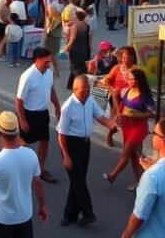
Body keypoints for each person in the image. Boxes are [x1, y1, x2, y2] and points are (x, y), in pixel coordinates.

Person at [0, 111, 49, 237]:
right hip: (23, 218)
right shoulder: (31, 155)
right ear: (17, 131)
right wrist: (42, 206)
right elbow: (37, 183)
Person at [57, 74, 115, 227]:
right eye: (83, 91)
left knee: (78, 180)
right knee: (79, 181)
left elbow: (99, 115)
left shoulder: (89, 100)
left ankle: (69, 214)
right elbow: (61, 133)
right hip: (71, 145)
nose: (86, 93)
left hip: (85, 144)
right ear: (74, 90)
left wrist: (110, 124)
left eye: (87, 90)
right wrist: (66, 156)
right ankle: (88, 213)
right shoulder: (68, 107)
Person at [16, 47, 61, 184]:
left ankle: (40, 170)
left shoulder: (48, 73)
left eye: (49, 62)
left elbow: (51, 90)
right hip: (29, 113)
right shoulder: (28, 76)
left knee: (45, 141)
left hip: (43, 112)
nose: (48, 65)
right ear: (37, 60)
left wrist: (57, 106)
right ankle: (18, 168)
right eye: (46, 62)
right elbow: (19, 100)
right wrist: (23, 120)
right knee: (24, 143)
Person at [105, 67, 153, 190]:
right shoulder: (128, 91)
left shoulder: (145, 96)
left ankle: (113, 175)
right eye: (129, 79)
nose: (130, 81)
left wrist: (138, 115)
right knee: (133, 156)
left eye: (132, 79)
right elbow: (121, 104)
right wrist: (118, 114)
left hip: (138, 128)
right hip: (127, 127)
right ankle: (141, 182)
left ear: (139, 80)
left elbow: (151, 113)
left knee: (125, 153)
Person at [102, 46, 137, 147]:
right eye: (123, 57)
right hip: (117, 100)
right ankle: (110, 134)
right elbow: (107, 80)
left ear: (133, 57)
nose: (125, 60)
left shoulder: (136, 70)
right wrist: (112, 91)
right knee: (115, 123)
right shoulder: (117, 68)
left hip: (131, 100)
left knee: (129, 124)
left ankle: (129, 144)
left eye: (127, 58)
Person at [63, 9, 92, 90]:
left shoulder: (74, 25)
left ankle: (79, 85)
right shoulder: (86, 25)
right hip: (84, 49)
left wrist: (67, 46)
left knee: (75, 68)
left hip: (75, 49)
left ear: (76, 17)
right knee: (80, 67)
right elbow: (89, 38)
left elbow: (72, 38)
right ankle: (70, 85)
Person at [42, 5, 63, 76]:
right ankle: (55, 71)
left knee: (50, 56)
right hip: (57, 39)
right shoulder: (59, 18)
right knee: (54, 56)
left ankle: (54, 71)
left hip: (51, 39)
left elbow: (48, 29)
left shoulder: (52, 19)